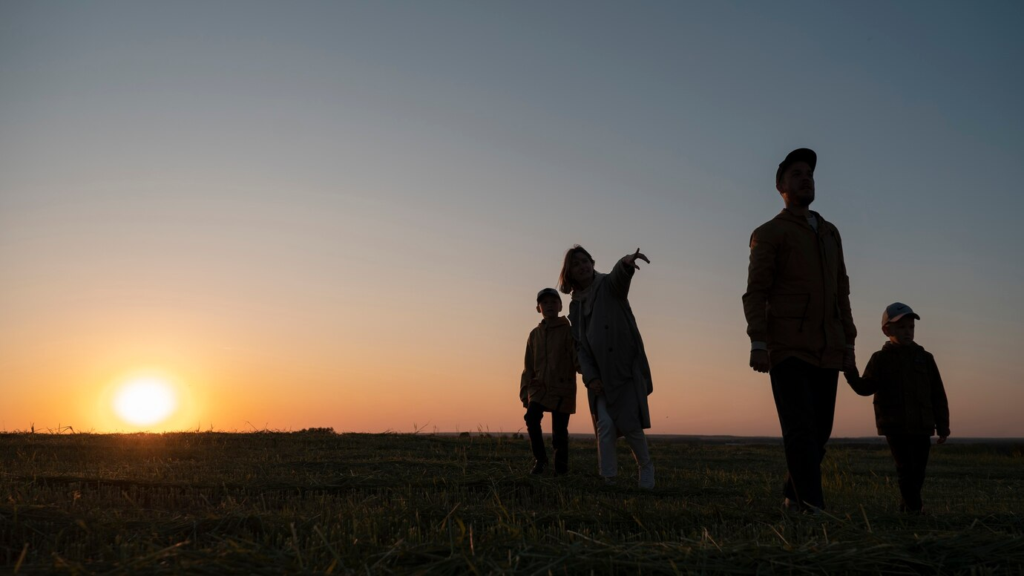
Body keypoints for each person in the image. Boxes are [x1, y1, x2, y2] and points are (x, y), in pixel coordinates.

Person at [742, 148, 857, 511]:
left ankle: (793, 495)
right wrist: (758, 341)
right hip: (787, 346)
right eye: (796, 174)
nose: (806, 178)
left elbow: (841, 289)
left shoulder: (830, 233)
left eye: (809, 173)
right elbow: (756, 291)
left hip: (828, 347)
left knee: (819, 432)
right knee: (800, 430)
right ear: (781, 186)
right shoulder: (769, 233)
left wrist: (848, 341)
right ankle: (812, 507)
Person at [559, 245, 655, 488]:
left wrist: (625, 263)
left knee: (631, 425)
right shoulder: (575, 306)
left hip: (624, 371)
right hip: (599, 377)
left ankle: (645, 468)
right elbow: (580, 345)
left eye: (585, 261)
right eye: (576, 264)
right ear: (569, 273)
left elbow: (618, 278)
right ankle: (608, 477)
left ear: (592, 262)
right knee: (605, 425)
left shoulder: (607, 286)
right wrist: (590, 377)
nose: (582, 266)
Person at [844, 302, 950, 513]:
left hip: (922, 425)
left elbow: (937, 394)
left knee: (918, 471)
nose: (907, 332)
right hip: (895, 426)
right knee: (905, 469)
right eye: (901, 328)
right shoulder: (880, 359)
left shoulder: (925, 358)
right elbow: (865, 388)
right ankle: (915, 509)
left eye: (911, 327)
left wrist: (943, 426)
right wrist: (849, 371)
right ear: (887, 330)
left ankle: (907, 507)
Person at [520, 288, 579, 475]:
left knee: (559, 432)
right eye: (544, 303)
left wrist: (590, 374)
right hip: (539, 388)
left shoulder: (569, 331)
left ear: (561, 306)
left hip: (563, 387)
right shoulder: (534, 335)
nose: (549, 306)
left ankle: (561, 469)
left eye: (553, 302)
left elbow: (577, 358)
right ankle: (541, 461)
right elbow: (528, 366)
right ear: (538, 308)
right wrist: (524, 391)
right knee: (531, 417)